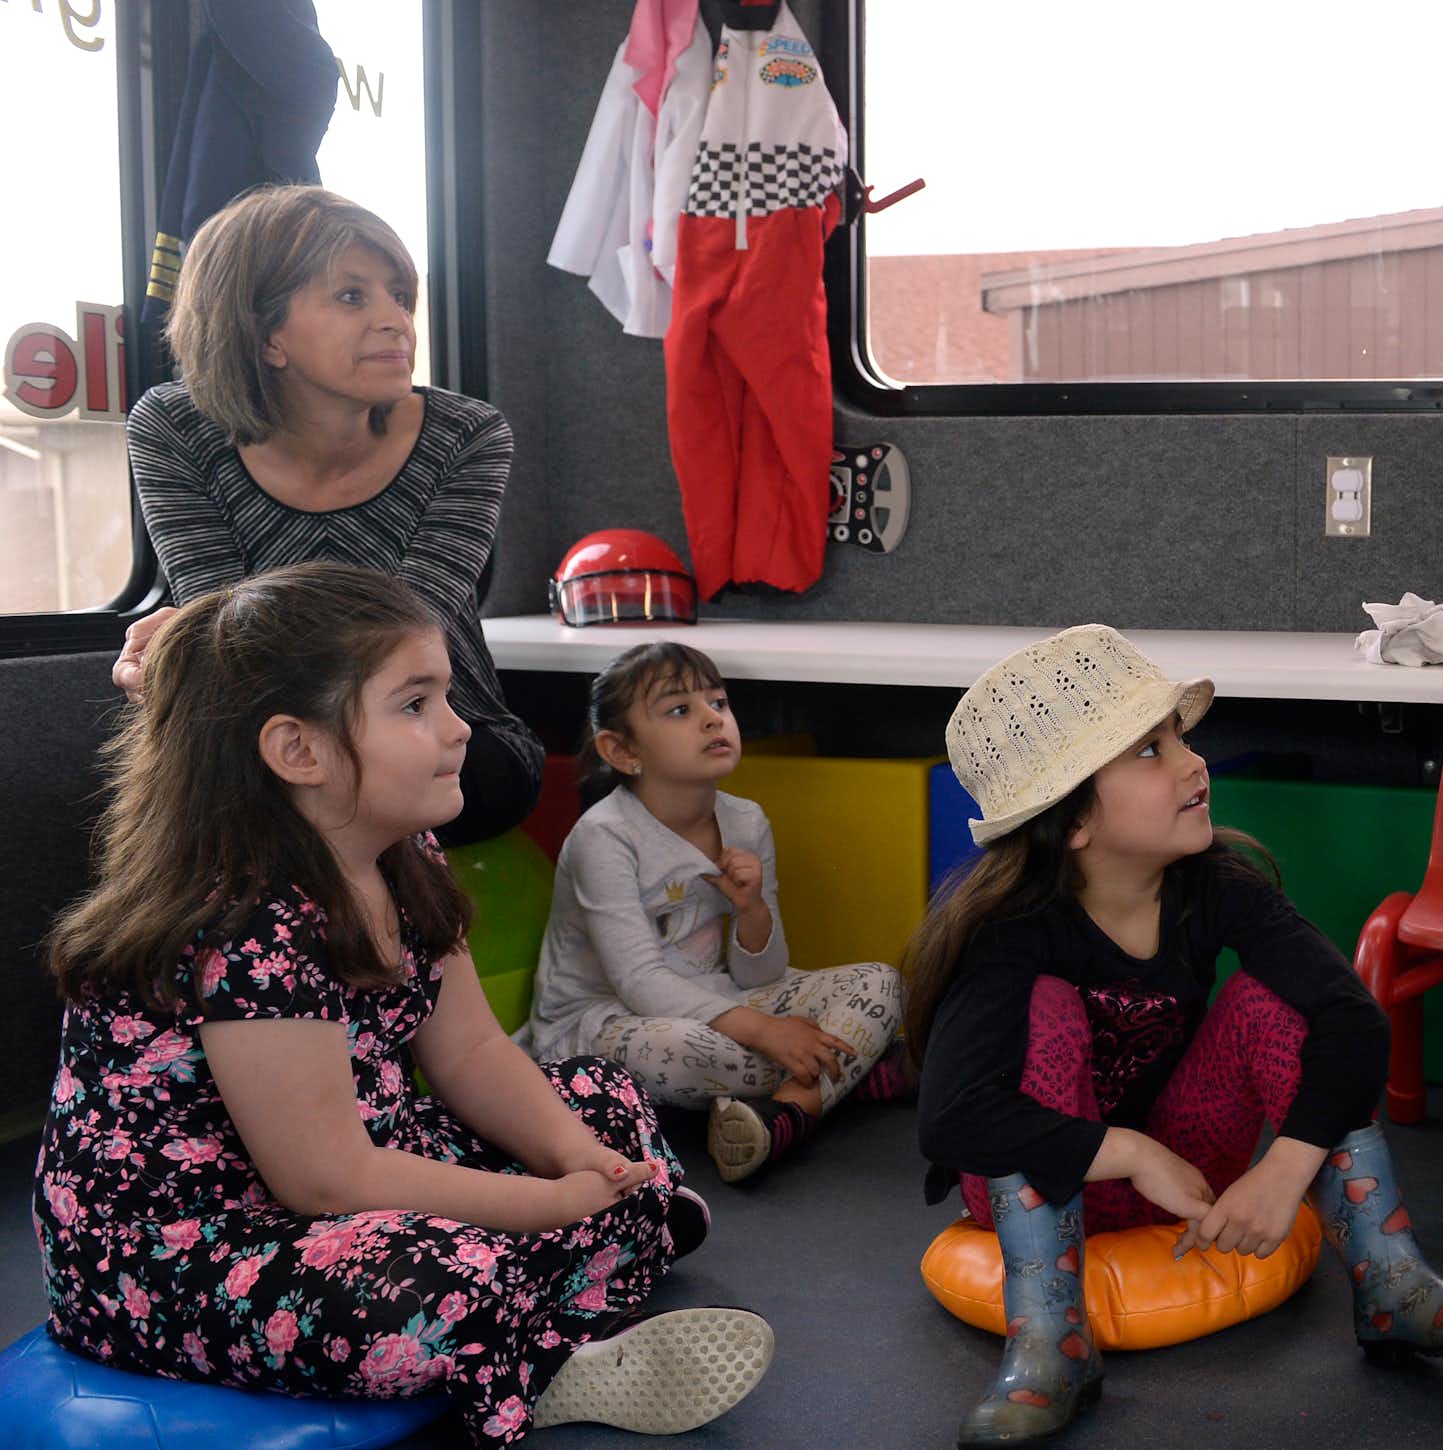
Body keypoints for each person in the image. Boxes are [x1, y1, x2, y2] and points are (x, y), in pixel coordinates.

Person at [38, 563, 769, 1443]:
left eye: (446, 698)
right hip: (190, 1245)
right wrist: (549, 1205)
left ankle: (553, 1276)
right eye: (415, 705)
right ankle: (554, 1357)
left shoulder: (406, 853)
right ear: (297, 752)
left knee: (603, 1100)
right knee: (432, 1279)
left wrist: (584, 1162)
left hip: (355, 1158)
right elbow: (325, 1180)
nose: (460, 730)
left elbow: (472, 1056)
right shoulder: (247, 921)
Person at [909, 625, 1443, 1447]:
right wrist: (1128, 1151)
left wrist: (1285, 1167)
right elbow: (953, 1119)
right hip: (1044, 1177)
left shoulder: (1216, 886)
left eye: (1179, 739)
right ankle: (1049, 1347)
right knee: (1047, 1005)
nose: (1193, 763)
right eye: (1147, 752)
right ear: (1072, 822)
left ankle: (1393, 1285)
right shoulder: (1012, 932)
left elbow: (1353, 1022)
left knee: (1272, 1002)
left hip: (1184, 1174)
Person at [112, 185, 542, 847]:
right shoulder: (172, 427)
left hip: (446, 738)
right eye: (352, 296)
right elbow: (221, 622)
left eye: (399, 294)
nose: (396, 319)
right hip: (268, 727)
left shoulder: (468, 434)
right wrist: (178, 648)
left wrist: (215, 633)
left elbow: (405, 627)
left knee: (294, 788)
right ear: (263, 332)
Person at [525, 641, 906, 1184]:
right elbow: (639, 982)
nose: (712, 719)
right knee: (680, 1049)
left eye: (719, 703)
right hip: (605, 1020)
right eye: (680, 710)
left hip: (720, 995)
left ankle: (788, 1113)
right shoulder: (605, 837)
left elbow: (762, 974)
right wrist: (766, 1031)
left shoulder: (746, 821)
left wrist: (750, 911)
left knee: (880, 983)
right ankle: (847, 1070)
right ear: (622, 751)